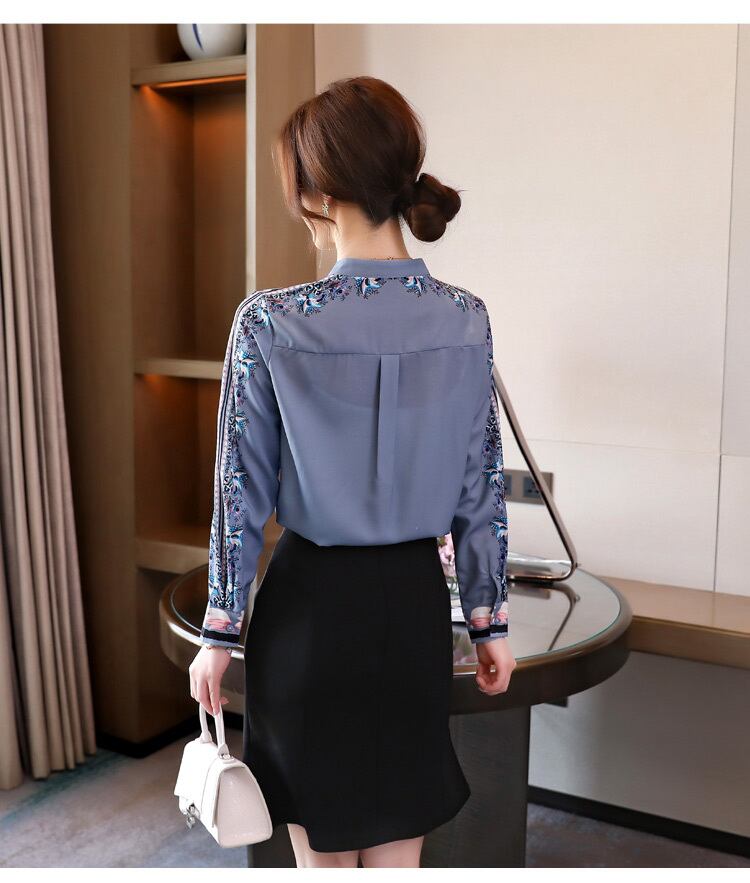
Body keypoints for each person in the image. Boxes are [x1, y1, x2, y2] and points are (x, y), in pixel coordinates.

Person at [189, 75, 516, 869]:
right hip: (414, 613)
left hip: (311, 616)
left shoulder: (268, 322)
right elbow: (481, 483)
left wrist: (219, 633)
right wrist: (487, 618)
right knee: (399, 858)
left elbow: (240, 491)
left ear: (319, 191)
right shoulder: (466, 318)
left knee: (324, 863)